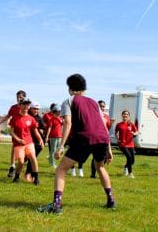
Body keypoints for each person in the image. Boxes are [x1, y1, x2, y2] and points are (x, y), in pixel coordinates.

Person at [38, 74, 116, 214]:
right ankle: (111, 201)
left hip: (85, 138)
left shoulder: (68, 101)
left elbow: (68, 122)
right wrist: (109, 148)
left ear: (70, 88)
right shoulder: (93, 102)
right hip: (102, 138)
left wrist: (61, 146)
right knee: (100, 167)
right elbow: (103, 125)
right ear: (84, 88)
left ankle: (56, 205)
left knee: (61, 169)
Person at [10, 98, 43, 185]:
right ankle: (16, 177)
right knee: (21, 162)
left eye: (27, 104)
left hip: (29, 142)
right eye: (24, 104)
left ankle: (36, 178)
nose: (26, 106)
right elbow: (12, 132)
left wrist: (40, 139)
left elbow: (35, 131)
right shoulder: (15, 117)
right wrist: (18, 139)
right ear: (20, 105)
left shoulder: (31, 118)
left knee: (33, 157)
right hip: (18, 143)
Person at [0, 90, 27, 177]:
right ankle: (12, 166)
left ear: (24, 98)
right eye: (17, 97)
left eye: (21, 97)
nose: (19, 99)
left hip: (25, 132)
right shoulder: (13, 107)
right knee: (14, 147)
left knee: (26, 150)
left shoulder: (27, 107)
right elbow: (8, 116)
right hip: (15, 131)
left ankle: (24, 166)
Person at [25, 101, 45, 181]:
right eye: (34, 109)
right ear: (30, 108)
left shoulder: (39, 118)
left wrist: (41, 132)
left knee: (32, 158)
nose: (36, 110)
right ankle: (30, 174)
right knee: (30, 158)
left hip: (37, 142)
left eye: (37, 109)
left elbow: (42, 129)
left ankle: (29, 174)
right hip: (28, 141)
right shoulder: (27, 116)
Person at [115, 110, 138, 178]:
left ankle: (125, 167)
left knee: (132, 160)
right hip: (122, 144)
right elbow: (116, 132)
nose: (125, 115)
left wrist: (134, 133)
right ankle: (130, 174)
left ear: (128, 116)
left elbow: (136, 132)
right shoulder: (119, 124)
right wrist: (117, 139)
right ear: (122, 115)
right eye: (124, 114)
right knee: (129, 157)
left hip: (130, 144)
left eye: (127, 114)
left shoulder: (131, 124)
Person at [45, 104, 63, 168]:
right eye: (59, 111)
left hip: (60, 136)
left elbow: (64, 125)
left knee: (60, 149)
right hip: (53, 136)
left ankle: (50, 157)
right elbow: (49, 128)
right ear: (55, 111)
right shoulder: (51, 119)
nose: (60, 112)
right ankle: (52, 163)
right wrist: (47, 136)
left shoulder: (61, 118)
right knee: (53, 150)